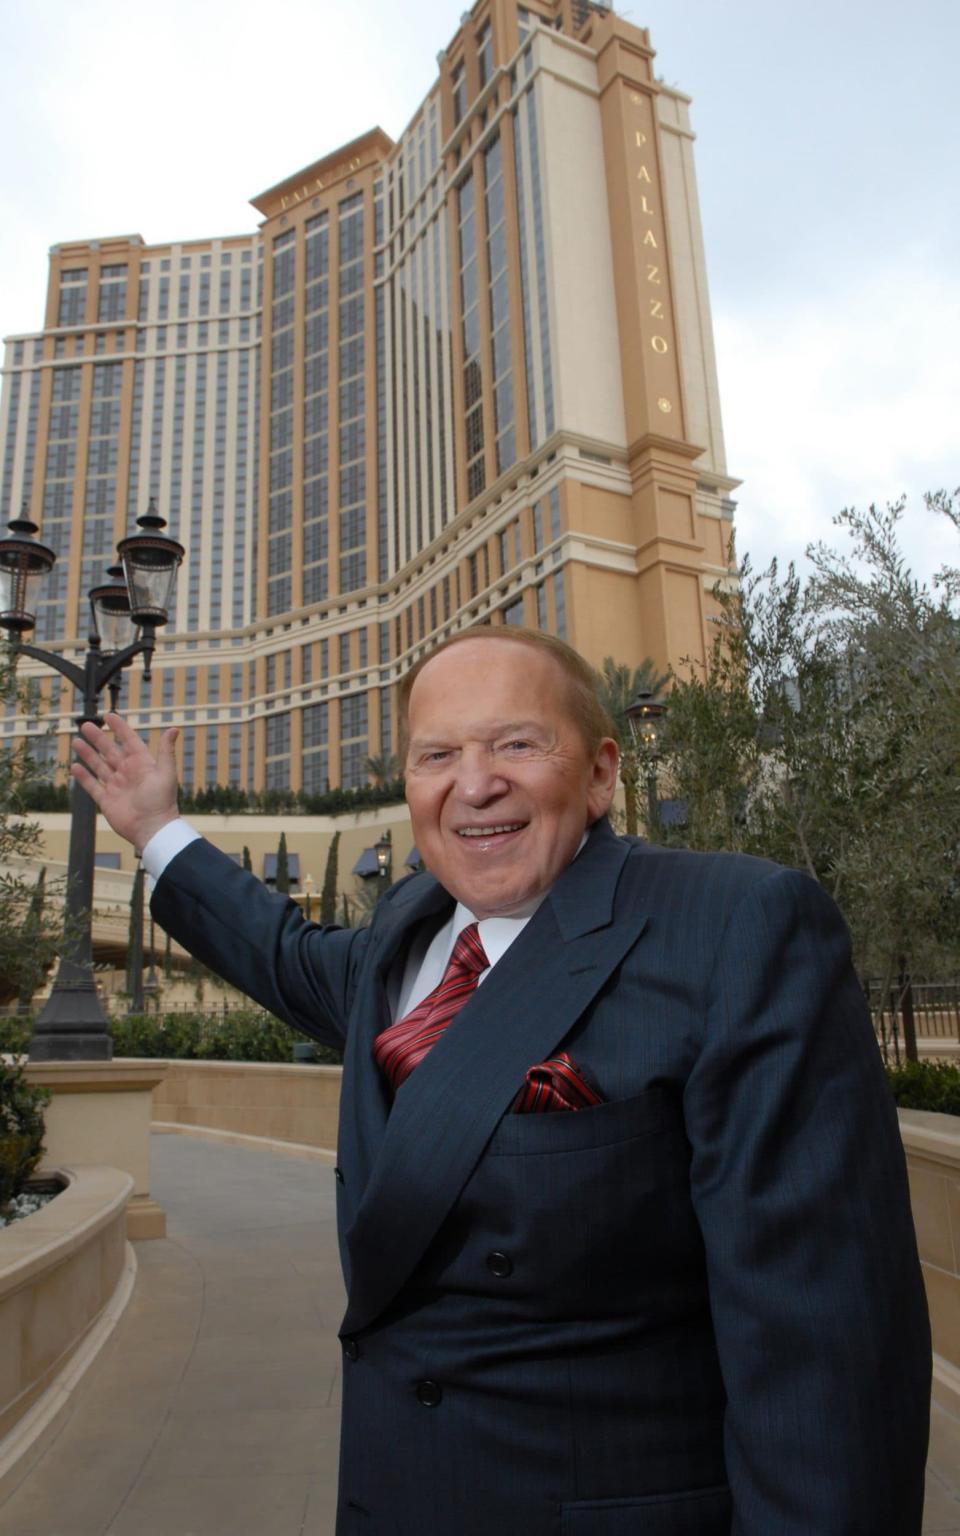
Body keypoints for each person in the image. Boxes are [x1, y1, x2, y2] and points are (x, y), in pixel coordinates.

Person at [73, 626, 930, 1535]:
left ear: (602, 774)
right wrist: (156, 829)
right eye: (437, 754)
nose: (474, 784)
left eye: (517, 744)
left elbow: (826, 1359)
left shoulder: (736, 928)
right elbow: (284, 952)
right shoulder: (408, 932)